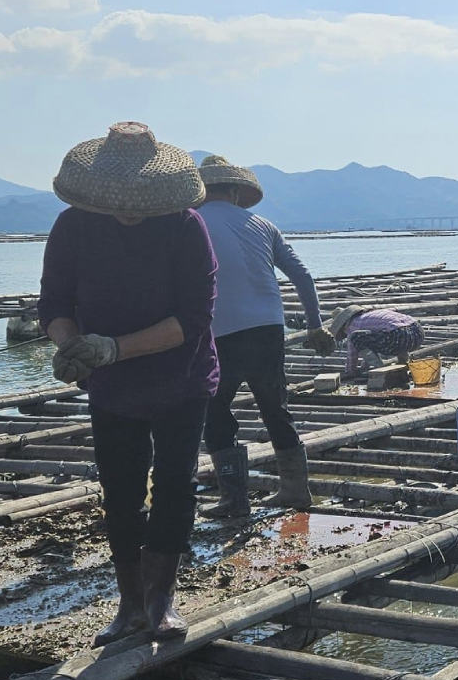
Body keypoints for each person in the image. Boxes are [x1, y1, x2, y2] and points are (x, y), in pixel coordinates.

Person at [37, 122, 217, 645]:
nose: (131, 210)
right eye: (121, 201)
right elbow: (54, 302)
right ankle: (130, 603)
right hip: (112, 387)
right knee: (119, 491)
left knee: (176, 485)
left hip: (181, 378)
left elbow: (193, 319)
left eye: (143, 201)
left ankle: (163, 600)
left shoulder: (186, 228)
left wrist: (114, 348)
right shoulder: (74, 227)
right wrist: (70, 345)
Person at [195, 155, 335, 519]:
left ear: (202, 191)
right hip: (268, 329)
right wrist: (314, 324)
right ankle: (295, 490)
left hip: (220, 332)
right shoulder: (262, 224)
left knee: (216, 411)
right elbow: (301, 275)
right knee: (275, 409)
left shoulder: (193, 223)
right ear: (236, 192)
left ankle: (234, 499)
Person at [328, 305, 424, 378]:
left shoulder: (353, 325)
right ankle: (403, 361)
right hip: (418, 332)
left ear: (343, 325)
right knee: (391, 333)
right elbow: (369, 346)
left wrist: (350, 371)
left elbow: (352, 354)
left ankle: (379, 368)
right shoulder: (368, 316)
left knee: (355, 337)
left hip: (398, 337)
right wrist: (364, 366)